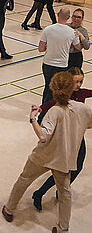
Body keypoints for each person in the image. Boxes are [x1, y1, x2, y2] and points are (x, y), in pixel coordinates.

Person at [2, 72, 92, 233]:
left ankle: (9, 209)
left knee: (24, 179)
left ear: (53, 88)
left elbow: (43, 136)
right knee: (65, 193)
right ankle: (62, 231)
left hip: (44, 156)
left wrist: (33, 119)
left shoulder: (54, 111)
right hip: (64, 159)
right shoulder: (82, 109)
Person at [31, 67, 91, 211]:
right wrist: (39, 109)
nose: (78, 85)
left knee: (77, 167)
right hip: (63, 139)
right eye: (76, 82)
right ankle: (39, 193)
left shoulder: (81, 93)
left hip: (78, 137)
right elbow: (48, 105)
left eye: (81, 81)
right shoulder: (62, 96)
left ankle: (59, 190)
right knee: (59, 169)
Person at [39, 7, 83, 103]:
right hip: (61, 65)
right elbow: (78, 47)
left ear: (58, 14)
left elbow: (41, 49)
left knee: (48, 87)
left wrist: (50, 46)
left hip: (48, 64)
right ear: (68, 18)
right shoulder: (72, 32)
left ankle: (43, 109)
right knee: (59, 89)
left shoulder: (48, 29)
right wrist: (81, 37)